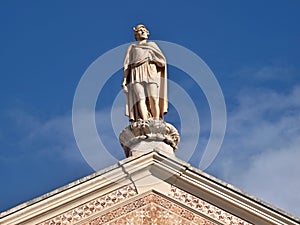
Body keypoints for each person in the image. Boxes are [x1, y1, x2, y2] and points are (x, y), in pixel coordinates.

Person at [122, 24, 168, 122]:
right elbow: (126, 65)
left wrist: (153, 58)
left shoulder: (152, 46)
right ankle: (144, 120)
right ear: (136, 34)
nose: (143, 32)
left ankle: (156, 121)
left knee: (153, 98)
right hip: (136, 72)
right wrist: (125, 80)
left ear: (147, 33)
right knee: (140, 99)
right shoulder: (132, 47)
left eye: (144, 30)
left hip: (150, 71)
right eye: (140, 30)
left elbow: (162, 63)